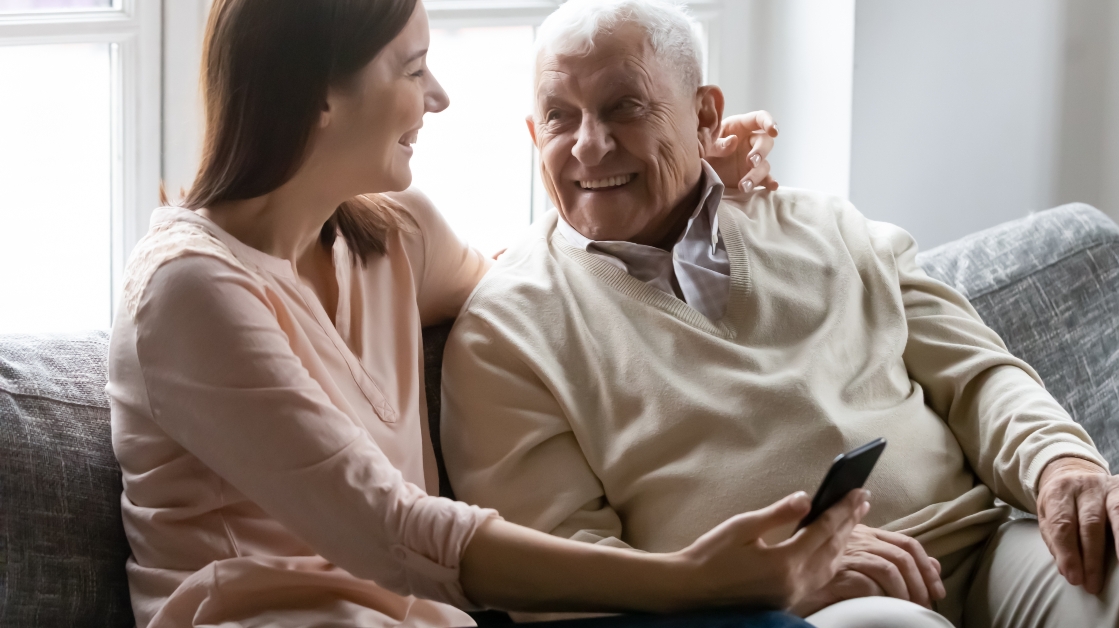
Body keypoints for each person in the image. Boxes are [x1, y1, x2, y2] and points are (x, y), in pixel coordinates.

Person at [105, 0, 871, 626]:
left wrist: (691, 177)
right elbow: (393, 533)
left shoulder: (395, 238)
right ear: (319, 94)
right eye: (413, 69)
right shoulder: (187, 292)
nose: (437, 97)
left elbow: (530, 283)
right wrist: (690, 580)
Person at [438, 1, 1119, 627]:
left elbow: (980, 377)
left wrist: (1064, 465)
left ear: (705, 117)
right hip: (793, 609)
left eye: (624, 107)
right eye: (560, 118)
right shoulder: (509, 326)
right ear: (533, 136)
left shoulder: (830, 224)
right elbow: (565, 571)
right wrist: (767, 582)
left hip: (979, 551)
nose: (589, 145)